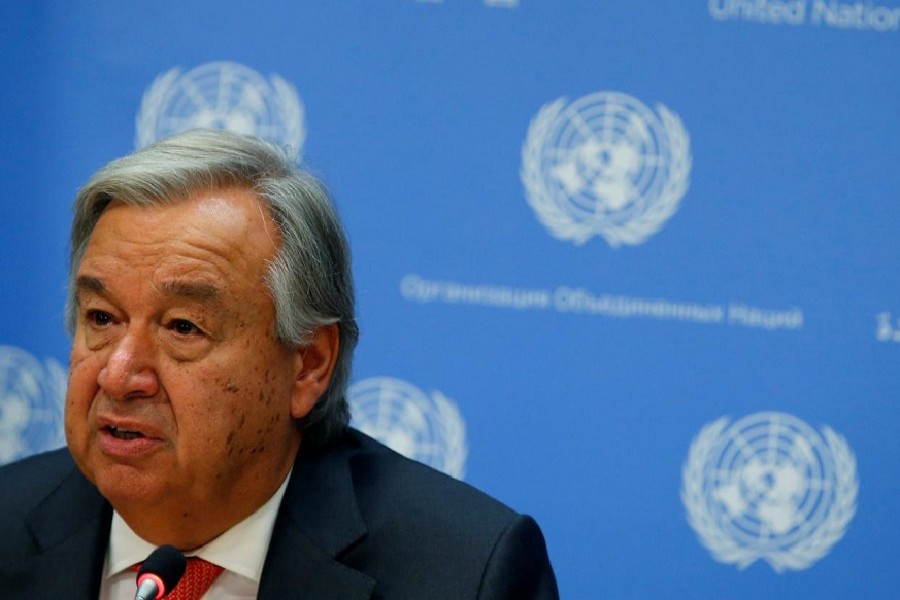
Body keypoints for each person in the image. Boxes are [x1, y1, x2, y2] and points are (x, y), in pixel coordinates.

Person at [0, 129, 558, 599]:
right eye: (101, 318)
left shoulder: (465, 574)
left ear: (308, 365)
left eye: (183, 328)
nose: (118, 375)